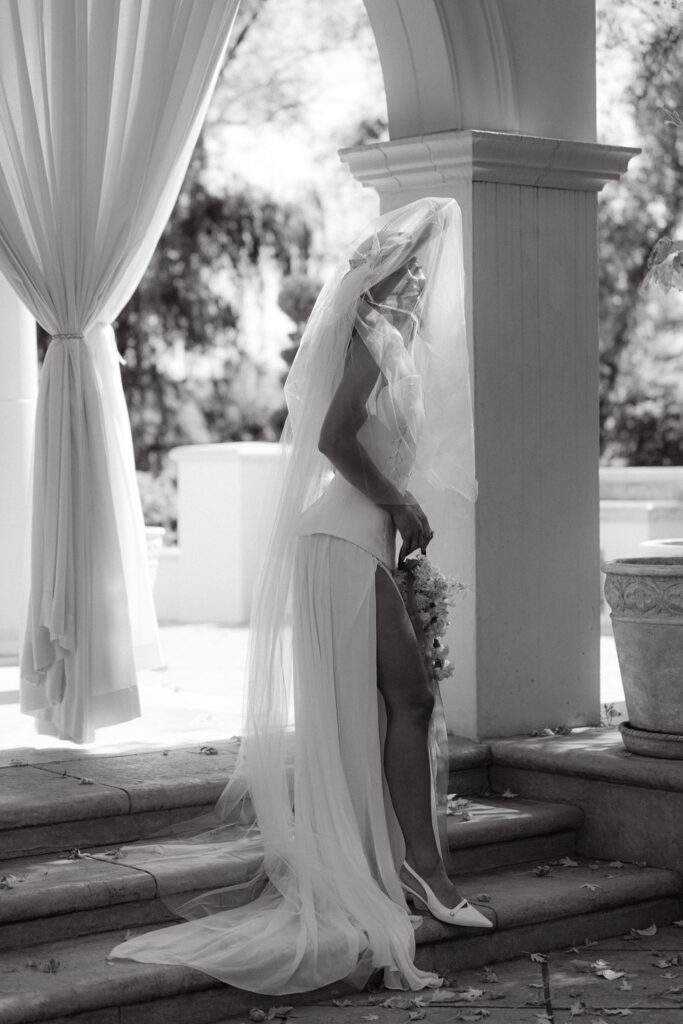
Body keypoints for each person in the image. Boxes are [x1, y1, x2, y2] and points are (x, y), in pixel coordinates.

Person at [110, 196, 492, 995]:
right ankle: (420, 873)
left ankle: (405, 865)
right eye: (413, 268)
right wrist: (396, 502)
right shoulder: (366, 338)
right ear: (382, 274)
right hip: (339, 540)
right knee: (411, 701)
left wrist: (402, 527)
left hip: (364, 546)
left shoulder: (403, 348)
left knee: (400, 705)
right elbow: (331, 438)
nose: (425, 281)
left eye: (428, 270)